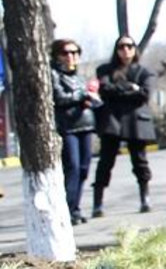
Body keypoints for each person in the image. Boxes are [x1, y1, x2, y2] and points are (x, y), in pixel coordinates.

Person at [92, 35, 157, 216]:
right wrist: (131, 88)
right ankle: (97, 204)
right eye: (121, 47)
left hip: (136, 121)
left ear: (135, 49)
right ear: (116, 49)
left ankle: (145, 198)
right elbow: (105, 90)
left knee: (140, 162)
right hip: (112, 121)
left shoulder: (144, 72)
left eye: (129, 46)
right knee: (105, 162)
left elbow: (145, 94)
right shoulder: (105, 69)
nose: (125, 50)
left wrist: (122, 90)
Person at [51, 39, 100, 224]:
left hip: (85, 124)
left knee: (84, 168)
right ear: (57, 55)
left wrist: (90, 99)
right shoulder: (54, 75)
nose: (70, 56)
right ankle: (68, 209)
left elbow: (83, 97)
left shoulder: (79, 77)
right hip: (68, 127)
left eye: (74, 52)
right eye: (65, 53)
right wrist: (81, 95)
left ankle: (75, 208)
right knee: (72, 167)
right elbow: (59, 97)